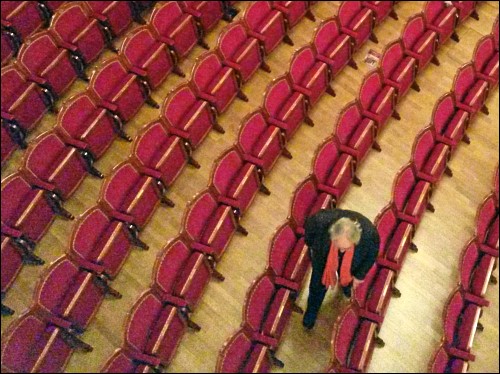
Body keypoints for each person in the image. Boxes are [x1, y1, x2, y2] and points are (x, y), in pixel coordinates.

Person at [302, 208, 380, 330]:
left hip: (351, 264)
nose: (342, 251)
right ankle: (311, 314)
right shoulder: (319, 221)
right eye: (339, 246)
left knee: (348, 278)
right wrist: (314, 251)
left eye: (346, 248)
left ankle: (345, 287)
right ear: (332, 236)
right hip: (324, 256)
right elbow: (308, 237)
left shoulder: (369, 236)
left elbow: (372, 254)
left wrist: (360, 275)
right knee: (317, 286)